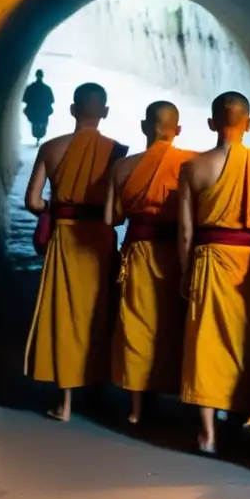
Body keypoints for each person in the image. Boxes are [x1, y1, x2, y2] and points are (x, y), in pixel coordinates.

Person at [24, 82, 128, 421]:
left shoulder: (51, 149)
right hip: (98, 240)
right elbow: (118, 210)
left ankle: (64, 402)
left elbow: (33, 201)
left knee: (63, 315)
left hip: (65, 239)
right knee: (99, 313)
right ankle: (98, 390)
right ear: (105, 112)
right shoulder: (117, 152)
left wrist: (55, 211)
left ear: (71, 110)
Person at [178, 92, 250, 455]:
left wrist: (186, 271)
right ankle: (238, 416)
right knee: (248, 340)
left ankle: (206, 433)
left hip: (210, 259)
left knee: (206, 342)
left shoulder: (194, 167)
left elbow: (186, 229)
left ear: (212, 123)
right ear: (248, 124)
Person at [105, 101, 196, 426]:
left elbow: (111, 218)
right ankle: (181, 396)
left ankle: (136, 407)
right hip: (178, 253)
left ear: (144, 126)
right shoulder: (192, 163)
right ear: (179, 130)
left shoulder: (123, 167)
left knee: (137, 325)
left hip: (140, 252)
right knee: (176, 325)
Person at [23, 69, 55, 146]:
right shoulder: (47, 88)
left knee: (35, 126)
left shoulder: (30, 88)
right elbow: (52, 100)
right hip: (44, 112)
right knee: (41, 127)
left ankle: (38, 137)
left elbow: (25, 99)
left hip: (33, 112)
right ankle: (38, 137)